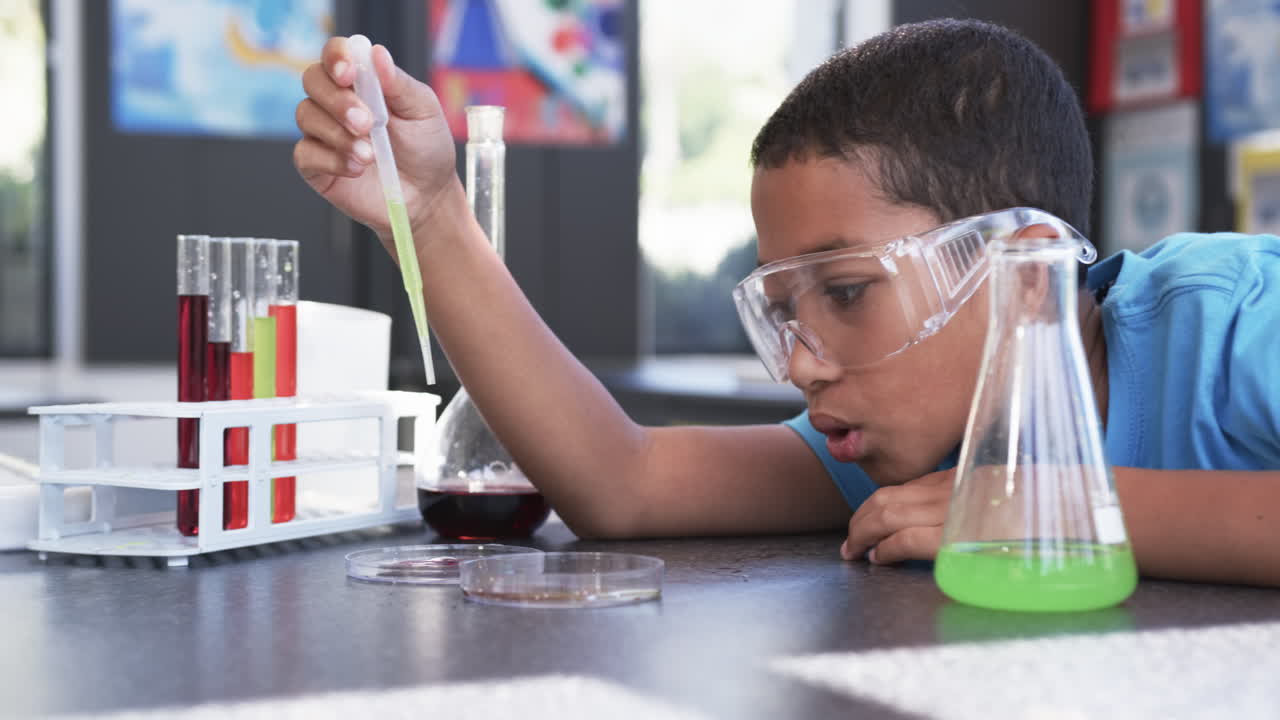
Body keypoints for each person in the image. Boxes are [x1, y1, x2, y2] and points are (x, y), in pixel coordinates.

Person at [293, 19, 1280, 586]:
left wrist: (1055, 513)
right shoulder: (928, 446)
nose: (803, 363)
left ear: (1018, 267)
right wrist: (428, 215)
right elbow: (624, 485)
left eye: (845, 293)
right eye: (785, 314)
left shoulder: (1236, 319)